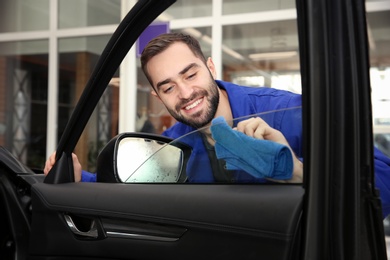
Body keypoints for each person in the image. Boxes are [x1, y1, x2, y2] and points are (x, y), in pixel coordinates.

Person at [44, 33, 390, 215]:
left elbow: (382, 184)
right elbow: (133, 187)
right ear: (158, 96)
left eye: (190, 73)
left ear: (210, 67)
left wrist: (296, 171)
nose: (185, 93)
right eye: (168, 87)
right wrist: (79, 181)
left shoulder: (285, 112)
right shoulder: (173, 144)